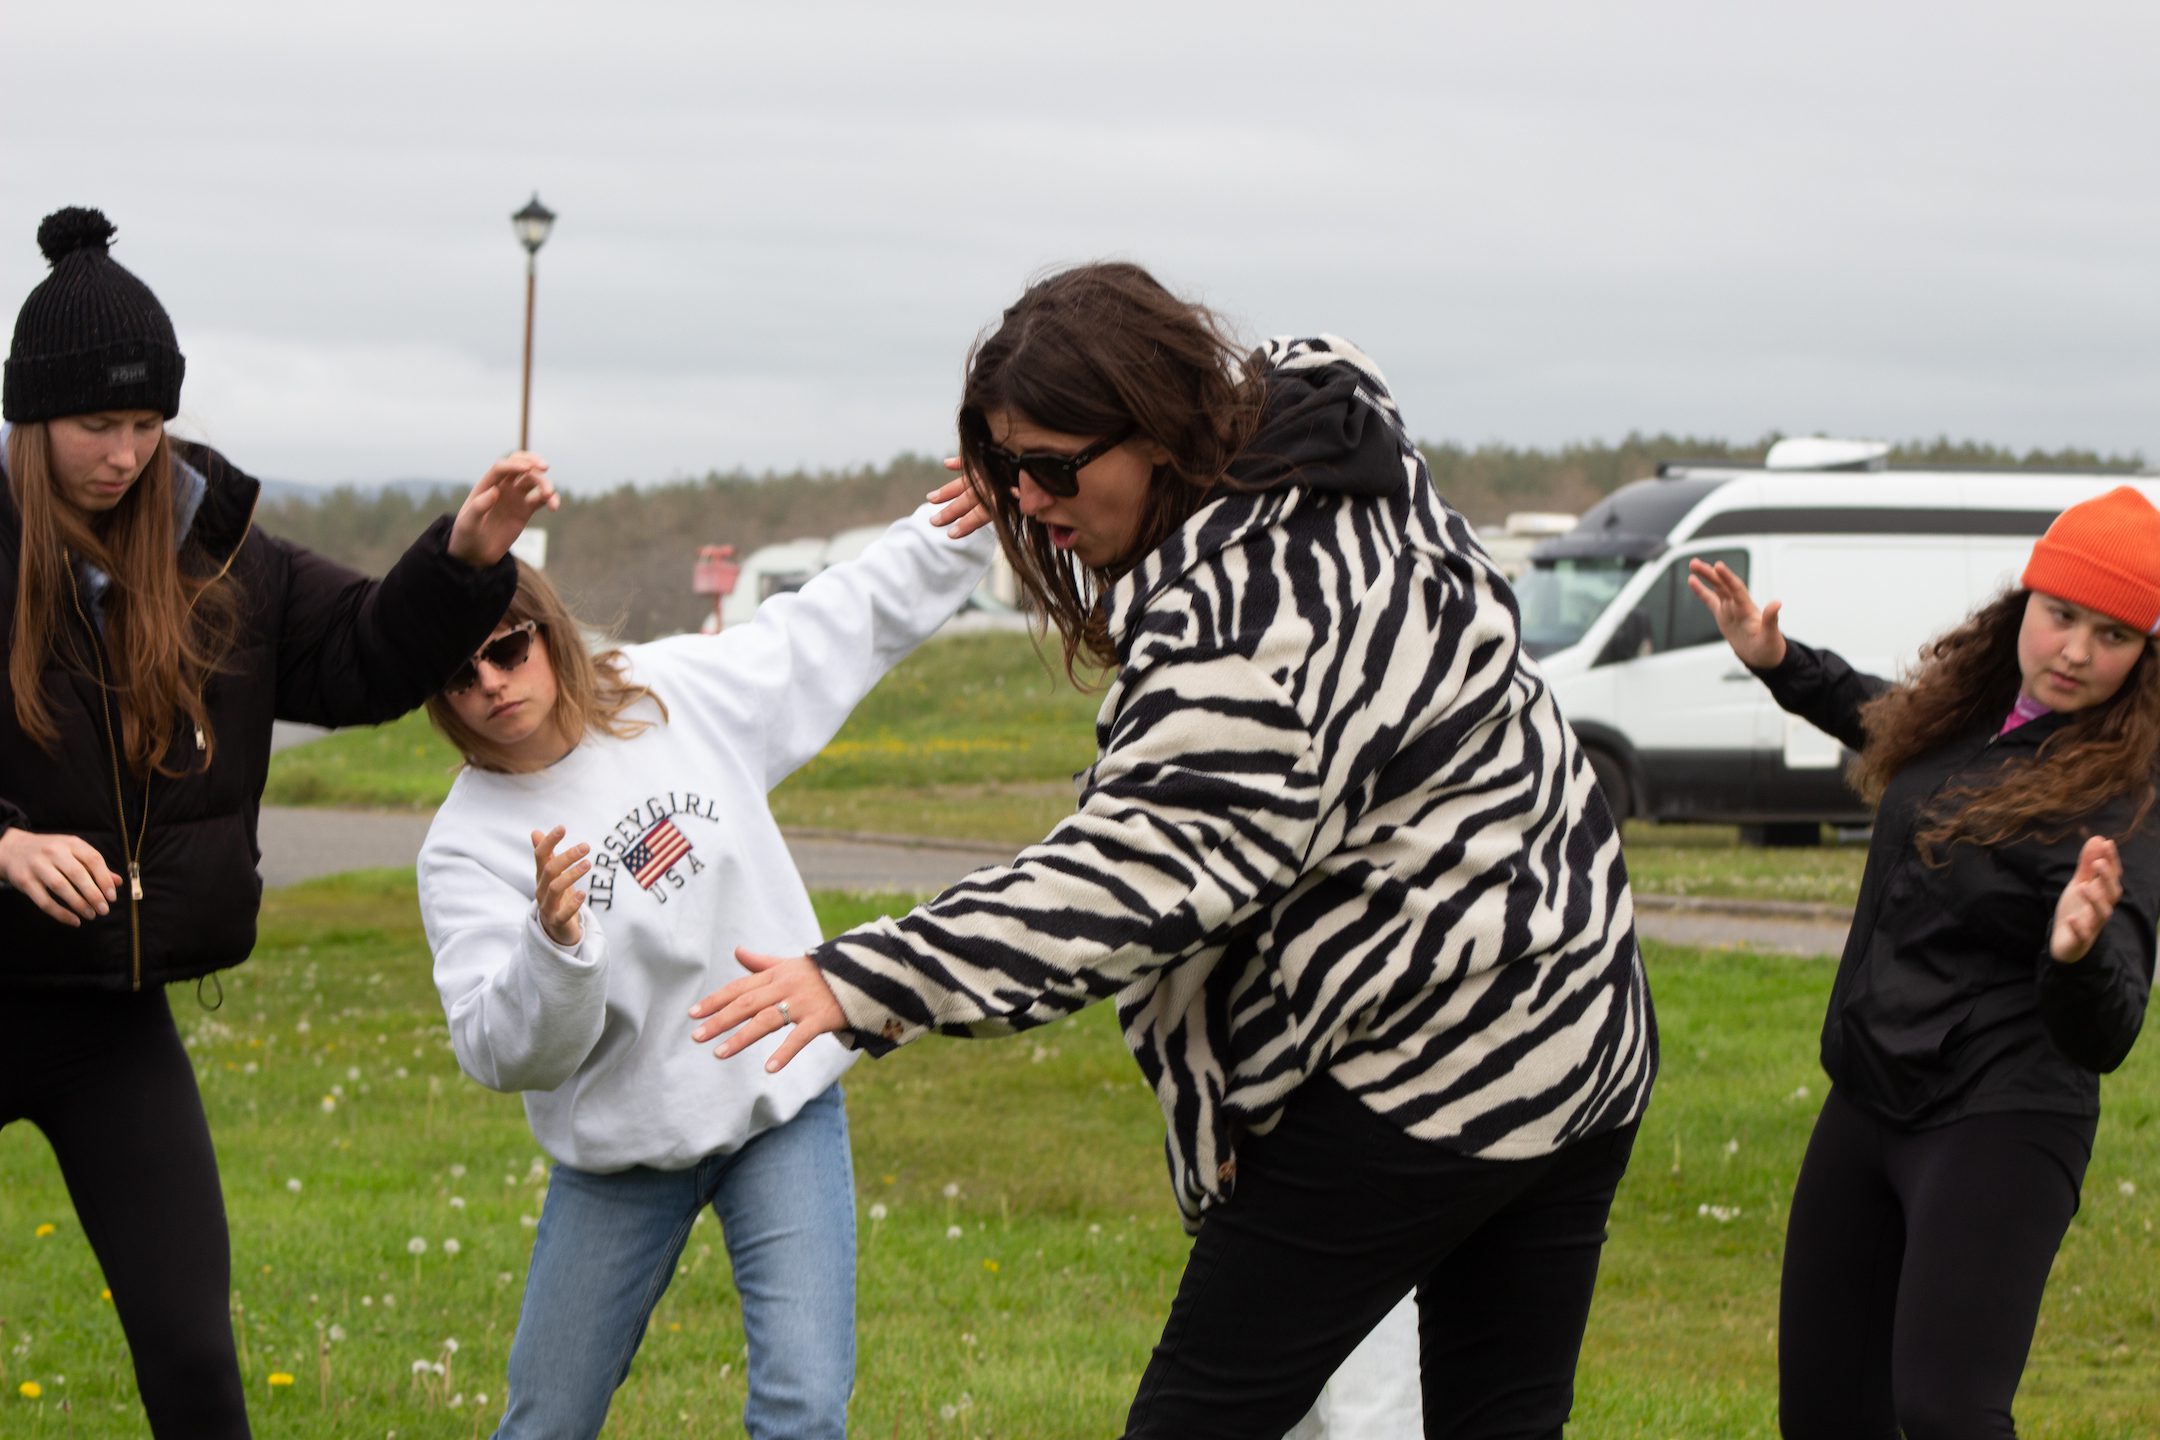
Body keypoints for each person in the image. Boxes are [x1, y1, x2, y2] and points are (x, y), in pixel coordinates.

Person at [688, 262, 1659, 1439]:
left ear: (1158, 428)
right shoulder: (1328, 424)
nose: (1032, 501)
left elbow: (1125, 881)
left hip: (1431, 1061)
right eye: (1007, 469)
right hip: (1581, 1008)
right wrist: (1045, 478)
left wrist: (864, 979)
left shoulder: (1240, 633)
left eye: (1056, 466)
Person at [0, 206, 554, 1438]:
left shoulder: (221, 550)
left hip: (107, 1025)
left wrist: (460, 561)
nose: (125, 455)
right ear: (30, 418)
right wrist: (3, 841)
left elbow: (359, 660)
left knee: (196, 1363)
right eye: (97, 425)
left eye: (148, 425)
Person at [414, 487, 994, 1439]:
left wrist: (964, 521)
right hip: (622, 1151)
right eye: (457, 673)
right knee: (545, 1423)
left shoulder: (668, 694)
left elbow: (829, 628)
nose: (491, 683)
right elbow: (497, 1049)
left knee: (802, 1411)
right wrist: (554, 950)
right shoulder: (467, 844)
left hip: (781, 1103)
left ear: (547, 634)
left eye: (507, 647)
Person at [1684, 485, 2160, 1440]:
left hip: (1999, 1118)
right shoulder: (1972, 715)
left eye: (2112, 635)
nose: (2075, 651)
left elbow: (2109, 1025)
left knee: (1946, 1413)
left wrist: (2073, 952)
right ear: (2024, 604)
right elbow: (1882, 716)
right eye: (2062, 615)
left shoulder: (2130, 798)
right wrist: (1778, 663)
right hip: (1868, 1095)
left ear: (2147, 655)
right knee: (1823, 1413)